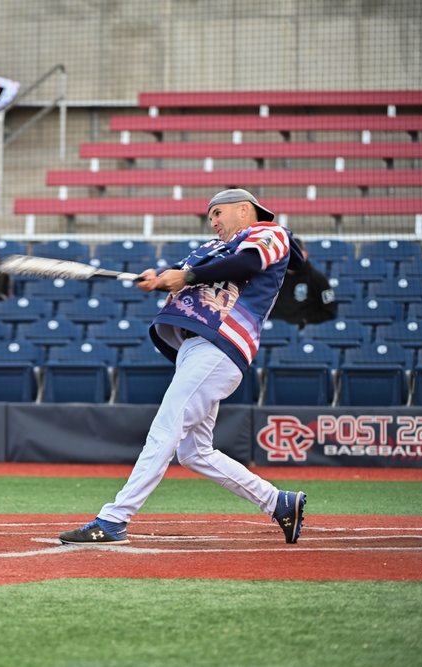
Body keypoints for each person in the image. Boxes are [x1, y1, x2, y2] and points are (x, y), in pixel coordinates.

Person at [58, 189, 309, 546]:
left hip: (220, 344)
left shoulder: (267, 233)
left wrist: (186, 278)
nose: (214, 222)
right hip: (197, 348)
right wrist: (161, 277)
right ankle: (278, 502)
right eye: (210, 217)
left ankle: (113, 520)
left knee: (166, 428)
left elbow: (246, 265)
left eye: (219, 213)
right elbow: (191, 271)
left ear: (244, 210)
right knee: (193, 452)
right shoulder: (213, 247)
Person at [269, 248, 337, 327]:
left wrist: (306, 322)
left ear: (305, 254)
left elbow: (329, 311)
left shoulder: (318, 279)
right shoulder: (274, 278)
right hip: (276, 328)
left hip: (306, 329)